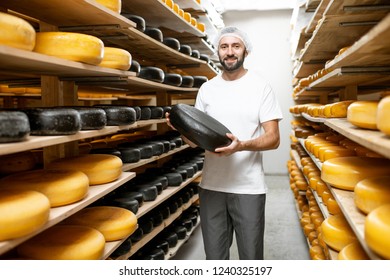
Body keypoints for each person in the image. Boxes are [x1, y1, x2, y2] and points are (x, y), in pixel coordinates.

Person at [166, 26, 283, 260]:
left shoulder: (261, 87)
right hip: (212, 187)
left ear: (245, 51)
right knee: (215, 260)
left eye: (235, 46)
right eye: (224, 46)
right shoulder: (207, 89)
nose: (230, 52)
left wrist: (241, 146)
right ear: (218, 52)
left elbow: (274, 138)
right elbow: (193, 142)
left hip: (248, 188)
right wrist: (181, 129)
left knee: (251, 259)